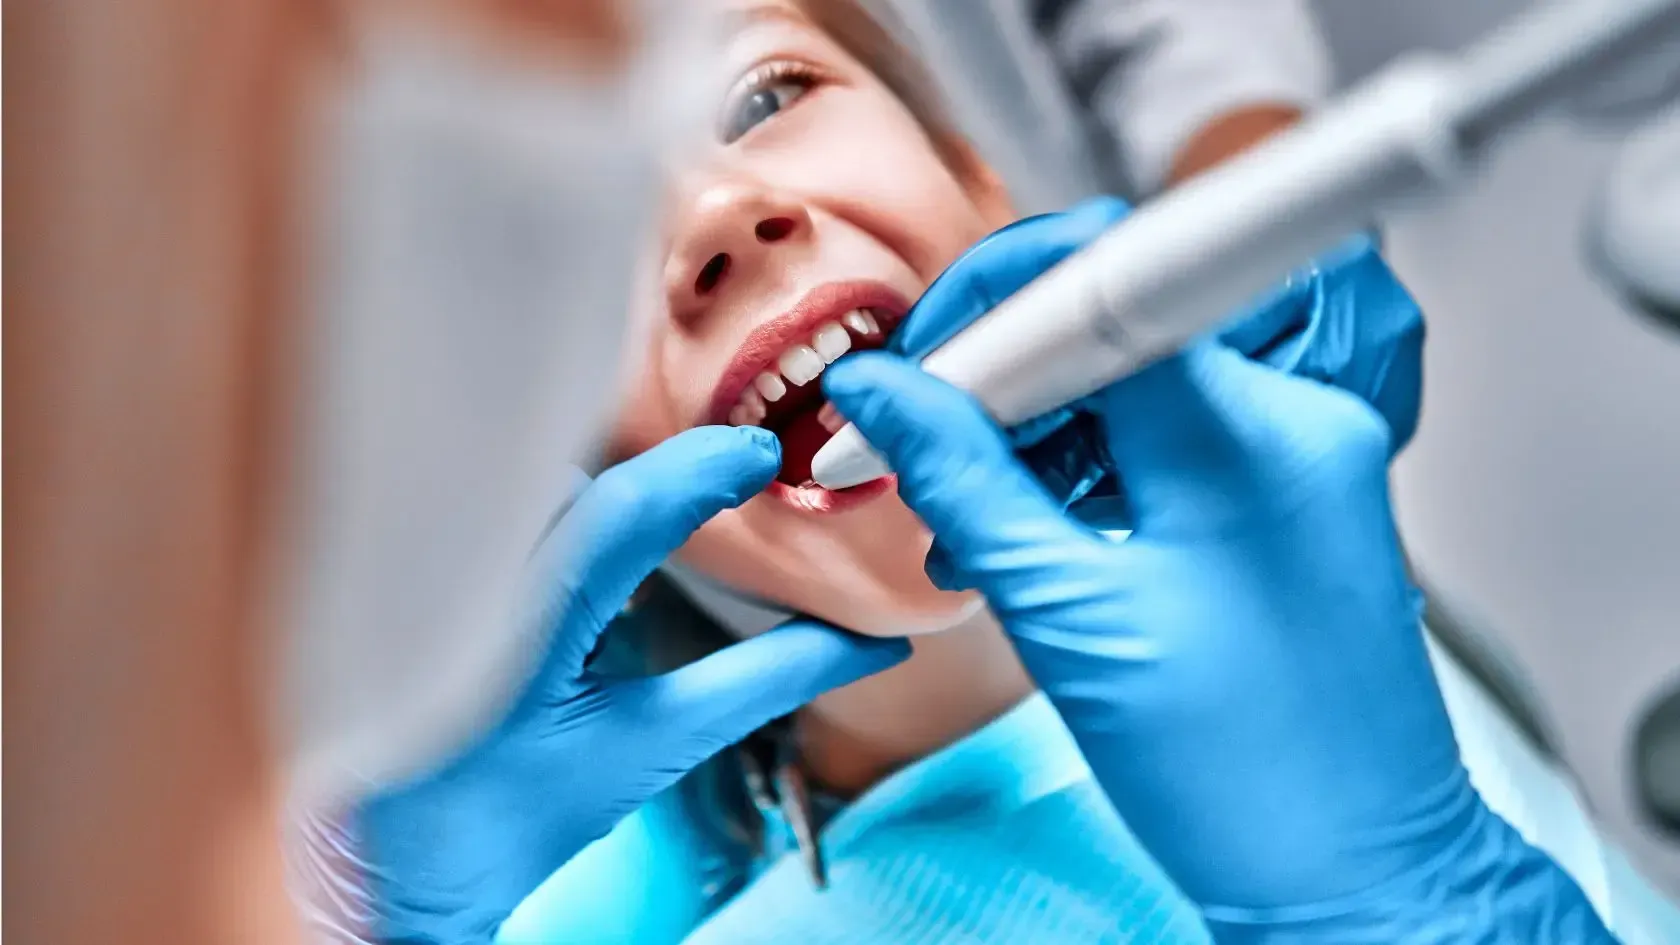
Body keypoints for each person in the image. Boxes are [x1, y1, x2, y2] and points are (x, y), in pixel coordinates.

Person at [319, 2, 1678, 943]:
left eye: (764, 95)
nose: (715, 215)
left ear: (977, 171)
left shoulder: (1333, 662)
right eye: (572, 237)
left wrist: (1261, 197)